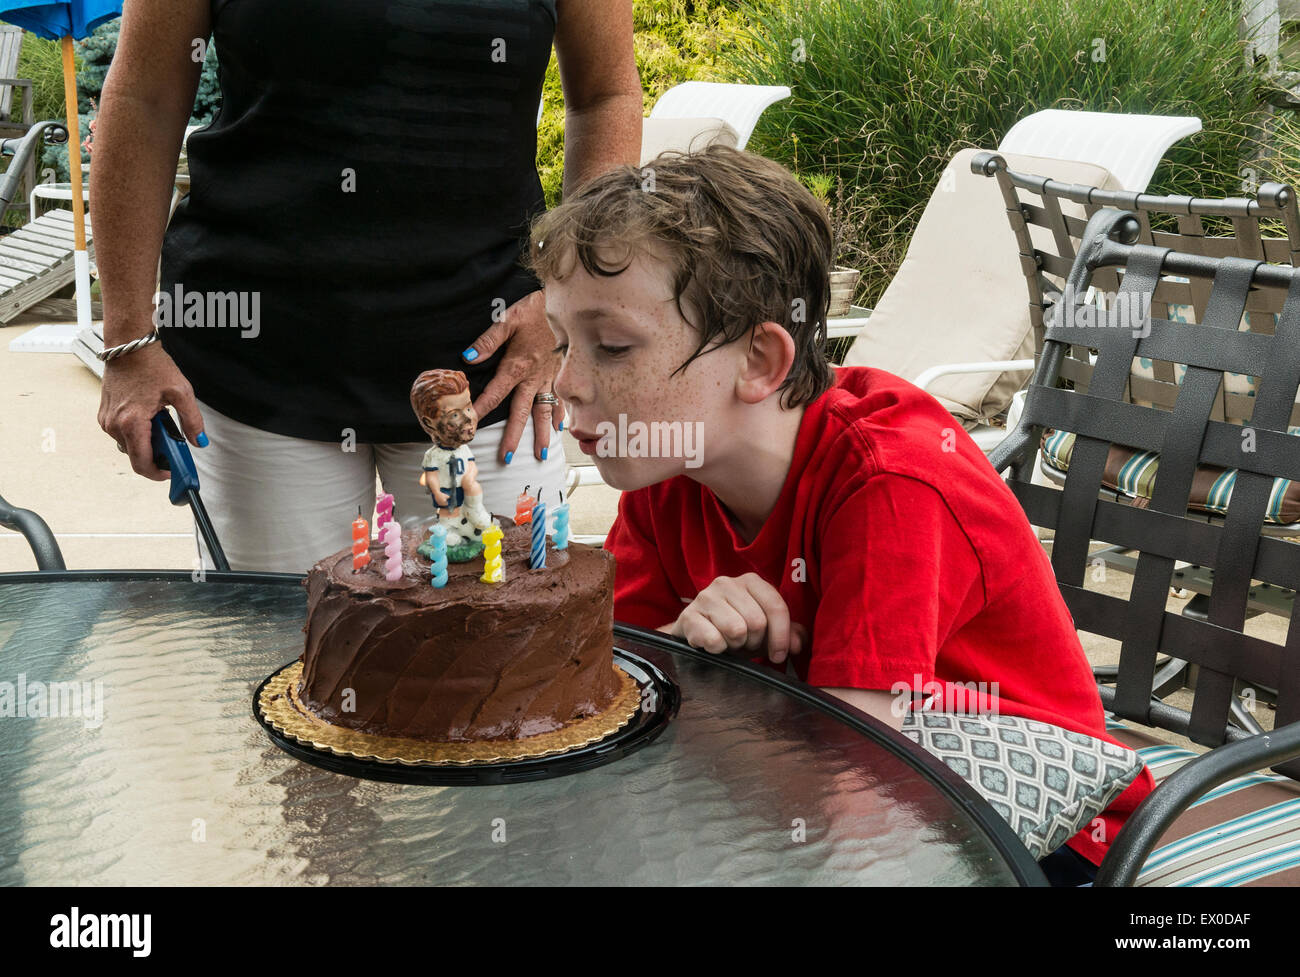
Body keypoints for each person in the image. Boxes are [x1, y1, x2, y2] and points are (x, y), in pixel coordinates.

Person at [523, 143, 1155, 881]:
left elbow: (855, 814)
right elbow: (617, 682)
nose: (565, 382)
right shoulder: (668, 465)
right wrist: (693, 648)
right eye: (564, 343)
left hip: (1039, 830)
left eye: (612, 346)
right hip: (814, 785)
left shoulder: (892, 481)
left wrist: (708, 680)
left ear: (760, 362)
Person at [92, 0, 642, 572]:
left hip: (494, 371)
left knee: (507, 642)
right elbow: (144, 98)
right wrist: (128, 339)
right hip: (259, 368)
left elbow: (605, 97)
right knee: (286, 647)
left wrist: (561, 303)